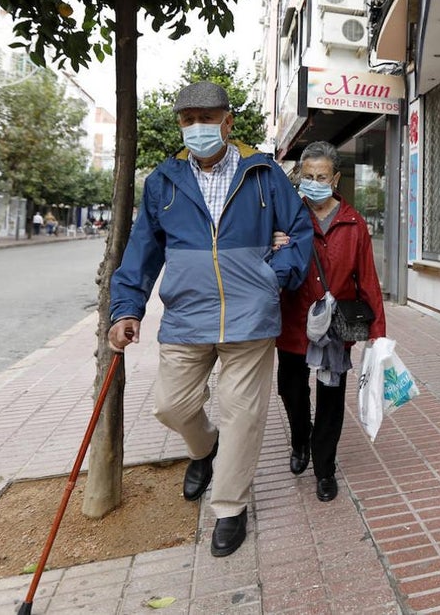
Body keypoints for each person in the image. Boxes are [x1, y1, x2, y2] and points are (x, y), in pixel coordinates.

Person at [108, 81, 312, 557]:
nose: (197, 127)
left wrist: (273, 276)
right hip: (187, 317)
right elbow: (142, 250)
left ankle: (230, 507)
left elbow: (300, 231)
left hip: (250, 318)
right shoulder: (163, 181)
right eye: (187, 119)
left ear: (228, 121)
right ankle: (203, 449)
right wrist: (127, 307)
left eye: (206, 117)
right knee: (171, 407)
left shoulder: (264, 174)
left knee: (243, 415)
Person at [273, 141, 386, 503]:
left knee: (331, 400)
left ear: (335, 178)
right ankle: (299, 440)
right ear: (299, 178)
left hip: (335, 329)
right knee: (290, 390)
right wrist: (274, 245)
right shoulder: (287, 217)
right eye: (308, 177)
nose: (315, 183)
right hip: (293, 322)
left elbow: (368, 279)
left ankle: (324, 468)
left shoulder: (354, 224)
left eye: (322, 176)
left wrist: (378, 334)